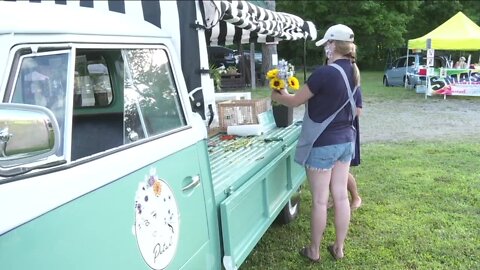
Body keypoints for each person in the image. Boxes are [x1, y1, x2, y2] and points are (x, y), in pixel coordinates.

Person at [271, 24, 362, 262]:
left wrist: (276, 95)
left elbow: (294, 101)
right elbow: (358, 110)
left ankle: (314, 250)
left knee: (321, 200)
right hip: (346, 142)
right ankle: (339, 248)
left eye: (327, 45)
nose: (326, 50)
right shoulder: (354, 71)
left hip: (322, 145)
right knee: (341, 196)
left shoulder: (324, 73)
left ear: (333, 45)